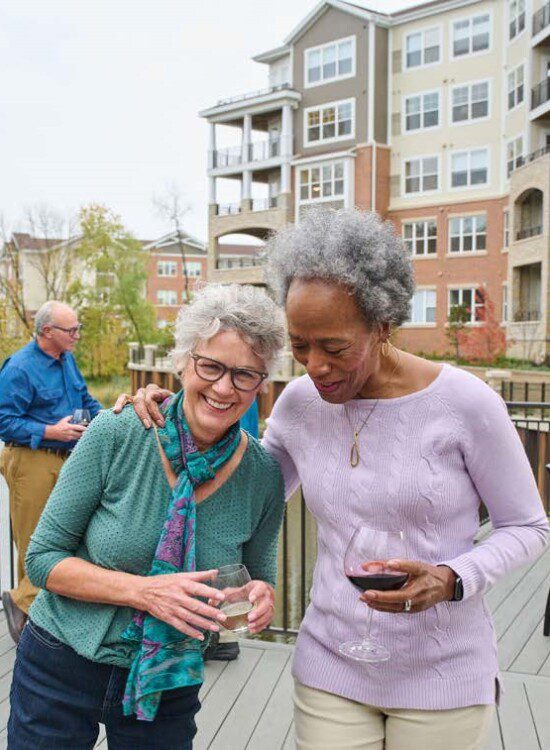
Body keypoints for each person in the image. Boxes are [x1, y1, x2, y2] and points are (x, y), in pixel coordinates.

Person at [129, 209, 549, 750]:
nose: (314, 366)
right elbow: (245, 486)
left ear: (382, 325)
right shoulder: (301, 404)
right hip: (331, 664)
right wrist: (172, 419)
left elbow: (527, 526)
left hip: (444, 672)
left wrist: (451, 576)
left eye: (335, 348)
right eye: (301, 346)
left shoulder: (466, 404)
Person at [8, 284, 285, 749]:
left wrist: (259, 595)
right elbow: (42, 559)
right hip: (63, 661)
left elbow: (260, 576)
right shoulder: (117, 433)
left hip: (169, 680)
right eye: (211, 366)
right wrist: (146, 593)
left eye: (244, 375)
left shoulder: (264, 476)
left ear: (262, 383)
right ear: (182, 362)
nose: (223, 387)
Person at [0, 300, 101, 643]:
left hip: (66, 458)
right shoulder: (19, 368)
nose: (77, 335)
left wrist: (111, 421)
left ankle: (28, 608)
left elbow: (86, 401)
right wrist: (50, 431)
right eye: (70, 330)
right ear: (47, 332)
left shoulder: (67, 360)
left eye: (78, 328)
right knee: (34, 540)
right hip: (31, 457)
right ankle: (24, 605)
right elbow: (4, 422)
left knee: (61, 536)